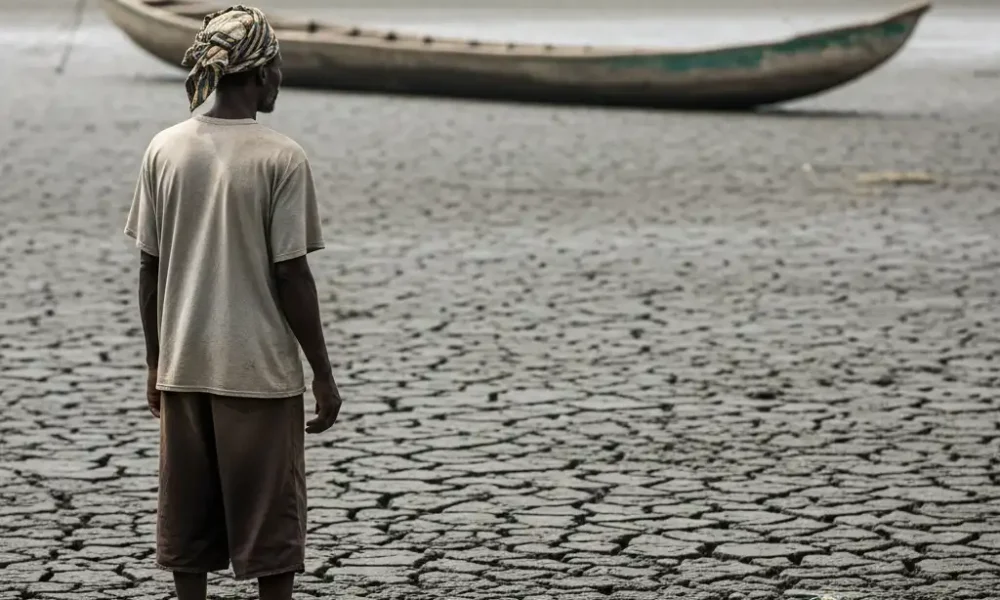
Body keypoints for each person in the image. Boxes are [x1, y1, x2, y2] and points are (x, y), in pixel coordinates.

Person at [123, 5, 343, 600]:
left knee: (187, 531)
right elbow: (292, 275)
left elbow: (149, 269)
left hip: (185, 367)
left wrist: (155, 364)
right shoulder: (280, 157)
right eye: (278, 67)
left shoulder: (164, 149)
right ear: (261, 72)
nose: (281, 79)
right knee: (271, 537)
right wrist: (322, 374)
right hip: (260, 375)